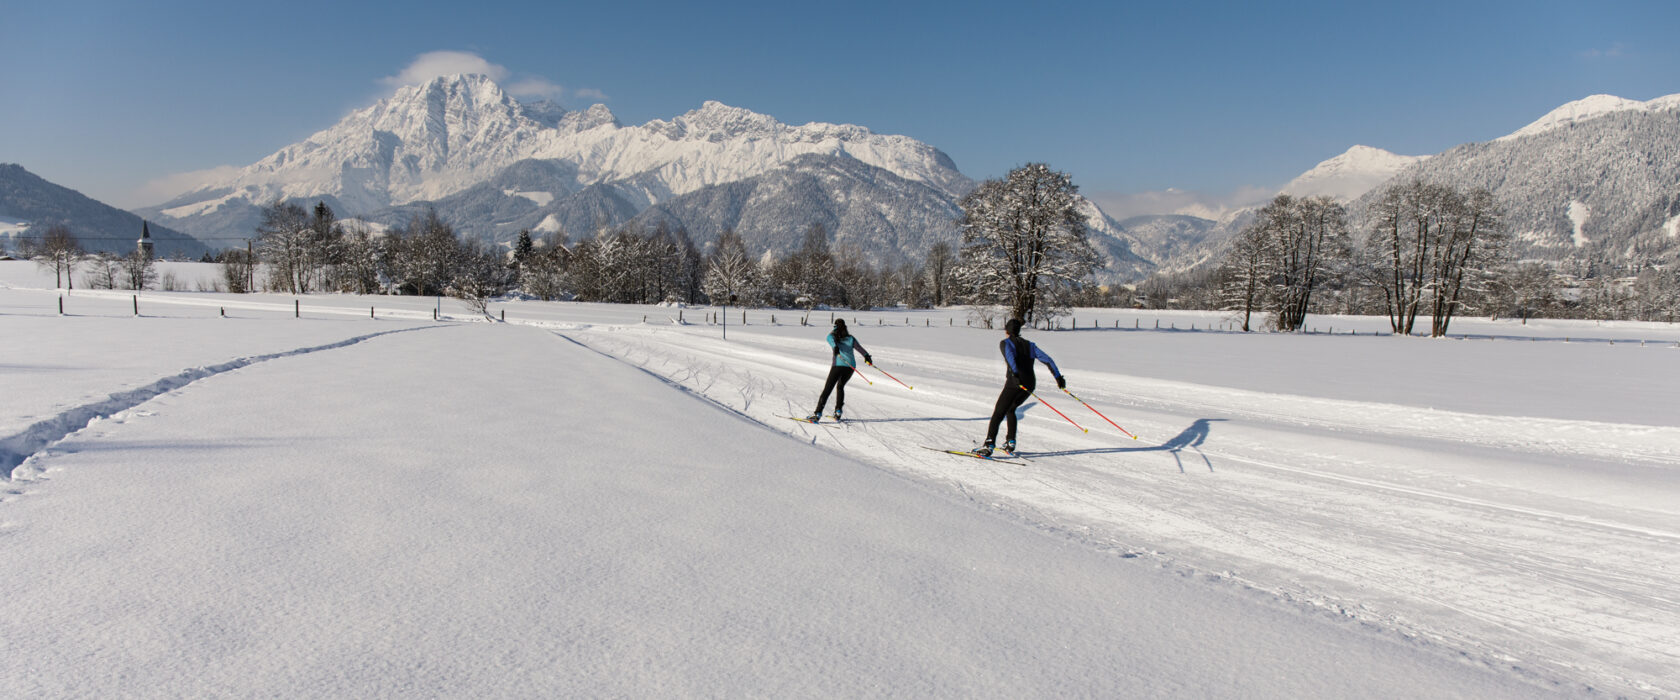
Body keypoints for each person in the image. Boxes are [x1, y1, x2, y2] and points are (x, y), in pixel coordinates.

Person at [977, 317, 1065, 456]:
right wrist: (1058, 377)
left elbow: (1010, 358)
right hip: (1030, 383)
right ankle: (1010, 441)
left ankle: (989, 444)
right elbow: (1047, 359)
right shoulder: (1030, 345)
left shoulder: (1005, 343)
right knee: (1011, 409)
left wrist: (1015, 375)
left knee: (998, 413)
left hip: (1015, 382)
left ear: (1007, 331)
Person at [808, 319, 872, 422]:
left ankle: (817, 414)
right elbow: (859, 348)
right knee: (840, 386)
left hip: (838, 365)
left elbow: (831, 342)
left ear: (835, 326)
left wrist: (835, 348)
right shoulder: (850, 338)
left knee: (827, 389)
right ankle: (838, 412)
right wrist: (867, 356)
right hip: (851, 366)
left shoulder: (832, 336)